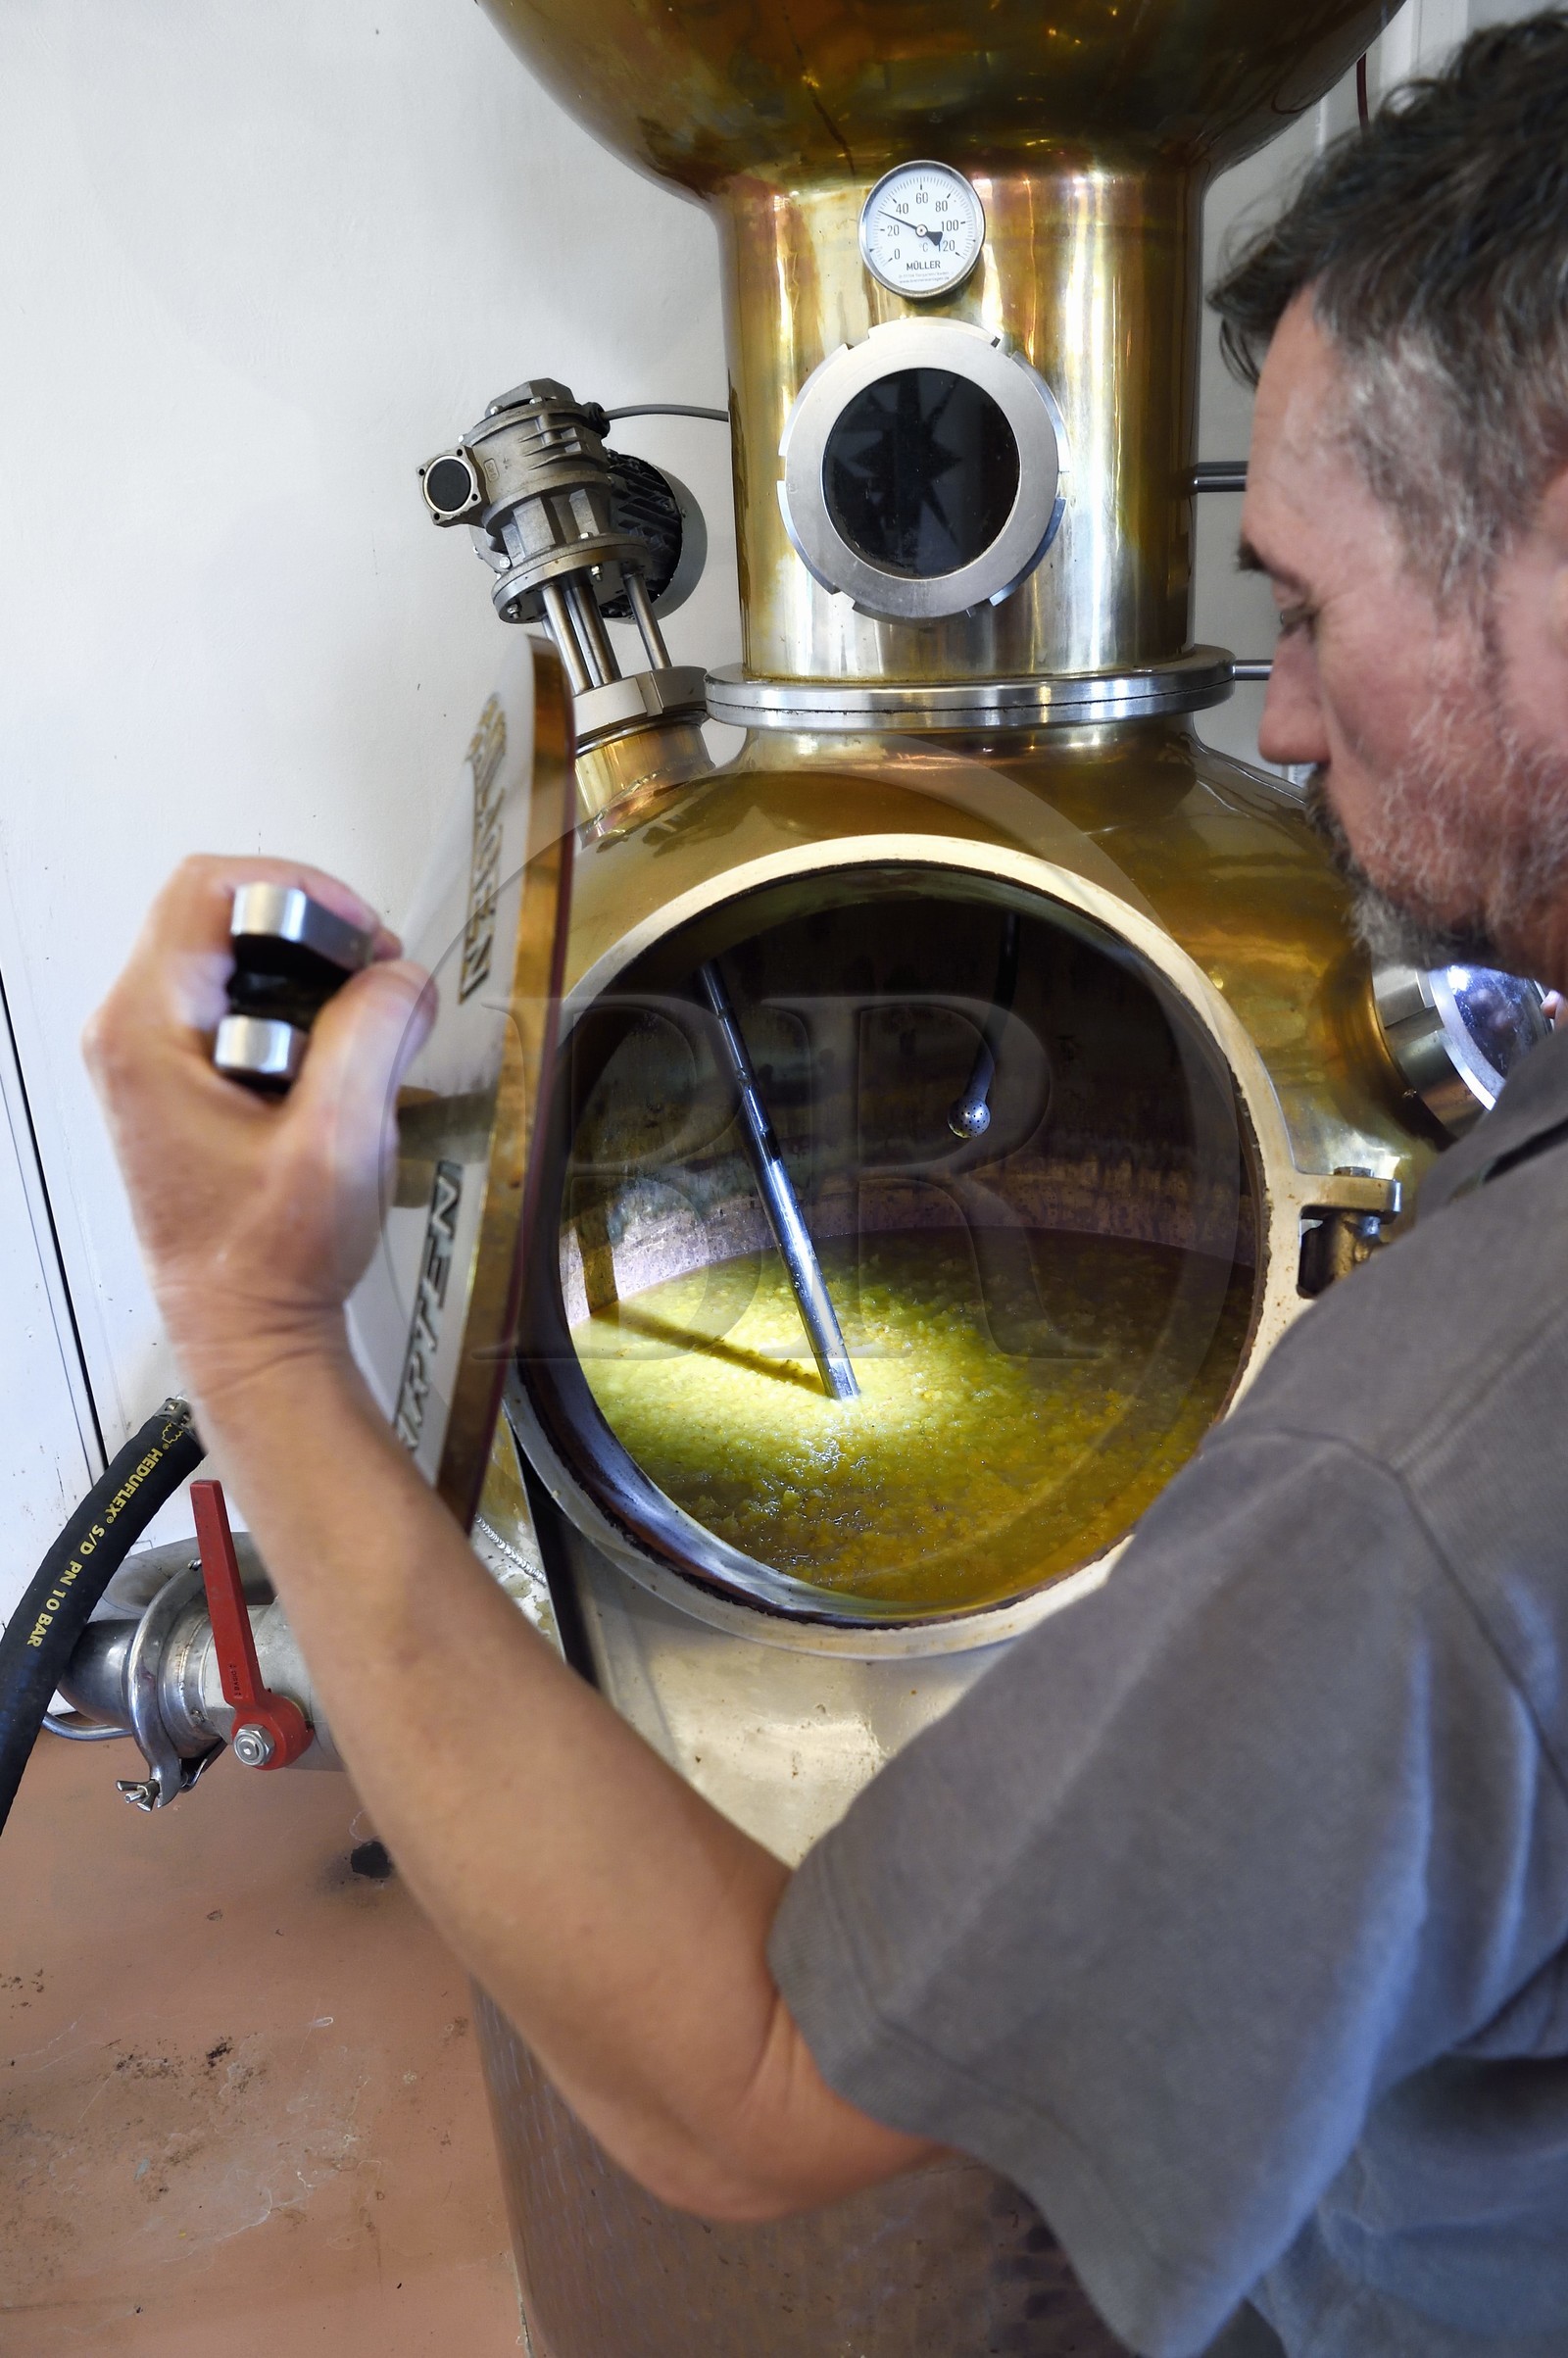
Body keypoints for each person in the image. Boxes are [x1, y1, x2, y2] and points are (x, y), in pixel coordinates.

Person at [81, 19, 1568, 2355]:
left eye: (1292, 605)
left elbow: (750, 2095)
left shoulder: (1430, 1487)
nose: (1273, 722)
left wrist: (252, 1331)